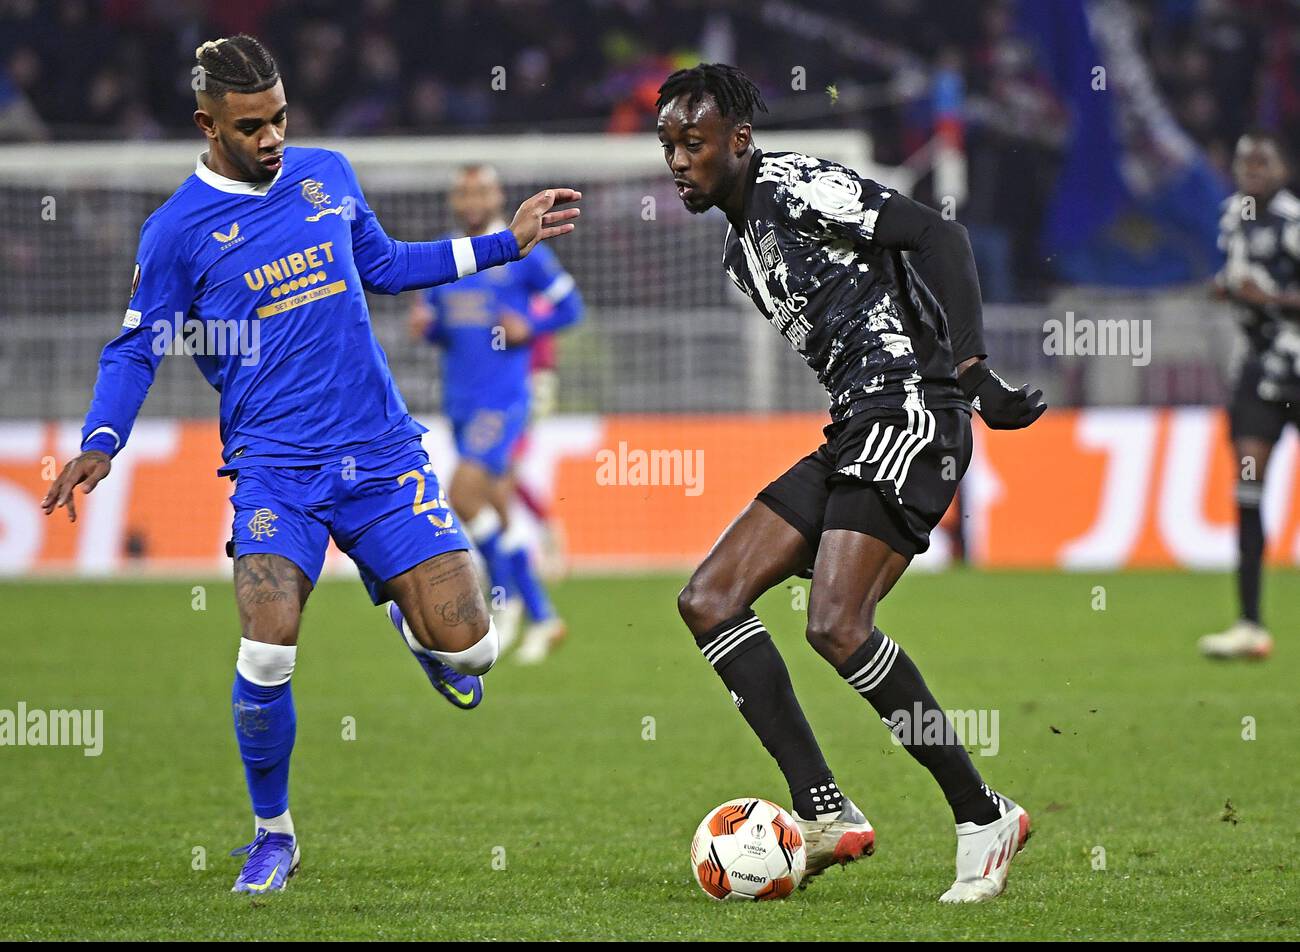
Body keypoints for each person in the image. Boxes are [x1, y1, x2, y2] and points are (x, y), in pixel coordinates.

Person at [41, 35, 580, 894]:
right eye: (252, 125)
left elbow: (389, 266)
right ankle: (274, 833)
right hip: (273, 468)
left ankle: (413, 623)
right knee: (266, 649)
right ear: (206, 125)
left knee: (474, 652)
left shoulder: (327, 173)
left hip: (379, 451)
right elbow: (136, 349)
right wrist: (101, 441)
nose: (273, 138)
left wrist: (502, 246)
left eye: (281, 117)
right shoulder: (176, 230)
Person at [658, 63, 1045, 902]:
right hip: (854, 425)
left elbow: (940, 239)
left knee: (835, 622)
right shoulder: (738, 252)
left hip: (913, 412)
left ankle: (984, 816)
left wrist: (974, 374)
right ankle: (825, 810)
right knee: (710, 597)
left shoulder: (795, 183)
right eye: (669, 146)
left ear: (740, 139)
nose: (679, 160)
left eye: (694, 142)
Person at [408, 164, 583, 663]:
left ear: (497, 196)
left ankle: (504, 604)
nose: (471, 199)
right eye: (463, 191)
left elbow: (572, 308)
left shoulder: (523, 251)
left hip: (503, 400)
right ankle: (540, 614)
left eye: (480, 190)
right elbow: (447, 328)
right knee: (492, 509)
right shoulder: (447, 255)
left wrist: (529, 322)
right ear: (454, 199)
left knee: (461, 494)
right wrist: (428, 328)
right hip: (460, 401)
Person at [1200, 131, 1300, 660]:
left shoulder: (1293, 221)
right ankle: (1249, 624)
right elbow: (1233, 276)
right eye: (1244, 162)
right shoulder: (1230, 218)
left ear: (1283, 168)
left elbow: (1276, 290)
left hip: (1298, 363)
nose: (1252, 169)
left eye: (1263, 160)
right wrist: (1226, 289)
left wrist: (1275, 300)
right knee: (1248, 485)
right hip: (1259, 371)